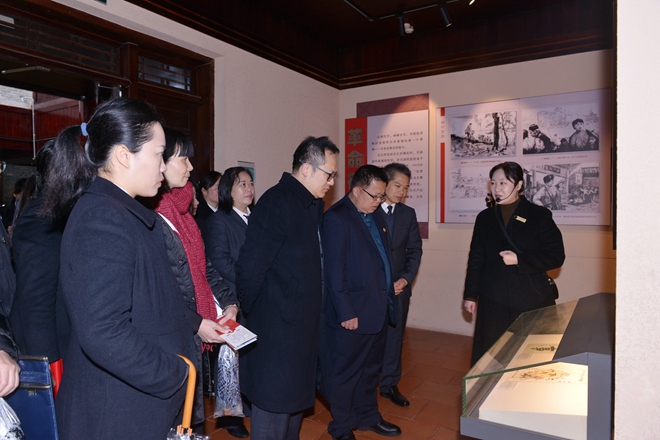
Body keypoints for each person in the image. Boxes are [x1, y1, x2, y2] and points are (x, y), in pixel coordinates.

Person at [52, 98, 197, 439]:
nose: (163, 166)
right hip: (117, 411)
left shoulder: (120, 211)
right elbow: (103, 332)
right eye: (159, 154)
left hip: (134, 404)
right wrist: (174, 373)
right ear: (123, 156)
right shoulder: (103, 218)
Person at [235, 136, 339, 439]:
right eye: (329, 174)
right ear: (307, 169)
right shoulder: (277, 201)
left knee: (292, 415)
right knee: (273, 413)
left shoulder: (309, 204)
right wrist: (254, 315)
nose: (332, 182)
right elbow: (251, 266)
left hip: (301, 331)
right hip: (277, 332)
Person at [153, 128, 239, 434]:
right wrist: (196, 322)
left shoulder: (185, 215)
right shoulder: (152, 217)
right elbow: (159, 289)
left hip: (192, 335)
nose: (191, 167)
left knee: (190, 420)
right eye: (183, 159)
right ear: (160, 162)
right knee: (174, 421)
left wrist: (229, 302)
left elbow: (204, 270)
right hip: (170, 339)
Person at [322, 165, 401, 440]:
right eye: (374, 195)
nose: (379, 201)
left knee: (370, 370)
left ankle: (368, 416)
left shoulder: (375, 213)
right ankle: (341, 426)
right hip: (353, 312)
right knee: (345, 374)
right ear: (357, 190)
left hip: (377, 307)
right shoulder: (336, 218)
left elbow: (381, 258)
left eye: (382, 196)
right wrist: (346, 311)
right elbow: (335, 271)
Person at [463, 162, 565, 366]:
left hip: (530, 298)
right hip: (493, 299)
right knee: (492, 357)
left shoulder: (539, 215)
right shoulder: (485, 218)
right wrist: (470, 294)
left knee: (530, 358)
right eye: (493, 183)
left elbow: (556, 256)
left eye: (503, 183)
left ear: (518, 185)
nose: (497, 188)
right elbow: (476, 258)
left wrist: (520, 260)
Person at [9, 141, 74, 381]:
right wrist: (47, 368)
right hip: (54, 349)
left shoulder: (66, 210)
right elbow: (35, 301)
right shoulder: (42, 216)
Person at [203, 166, 255, 438]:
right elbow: (219, 261)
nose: (248, 188)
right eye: (241, 184)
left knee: (250, 358)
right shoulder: (219, 221)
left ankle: (248, 402)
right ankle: (231, 419)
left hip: (256, 298)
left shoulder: (256, 218)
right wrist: (250, 281)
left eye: (250, 183)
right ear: (227, 191)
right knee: (230, 361)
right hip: (232, 298)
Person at [374, 163, 423, 408]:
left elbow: (415, 250)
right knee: (371, 337)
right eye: (397, 185)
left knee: (395, 338)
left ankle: (389, 384)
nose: (402, 192)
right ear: (385, 184)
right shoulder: (370, 210)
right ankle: (365, 383)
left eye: (406, 187)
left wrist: (405, 279)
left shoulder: (407, 214)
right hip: (374, 288)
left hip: (400, 288)